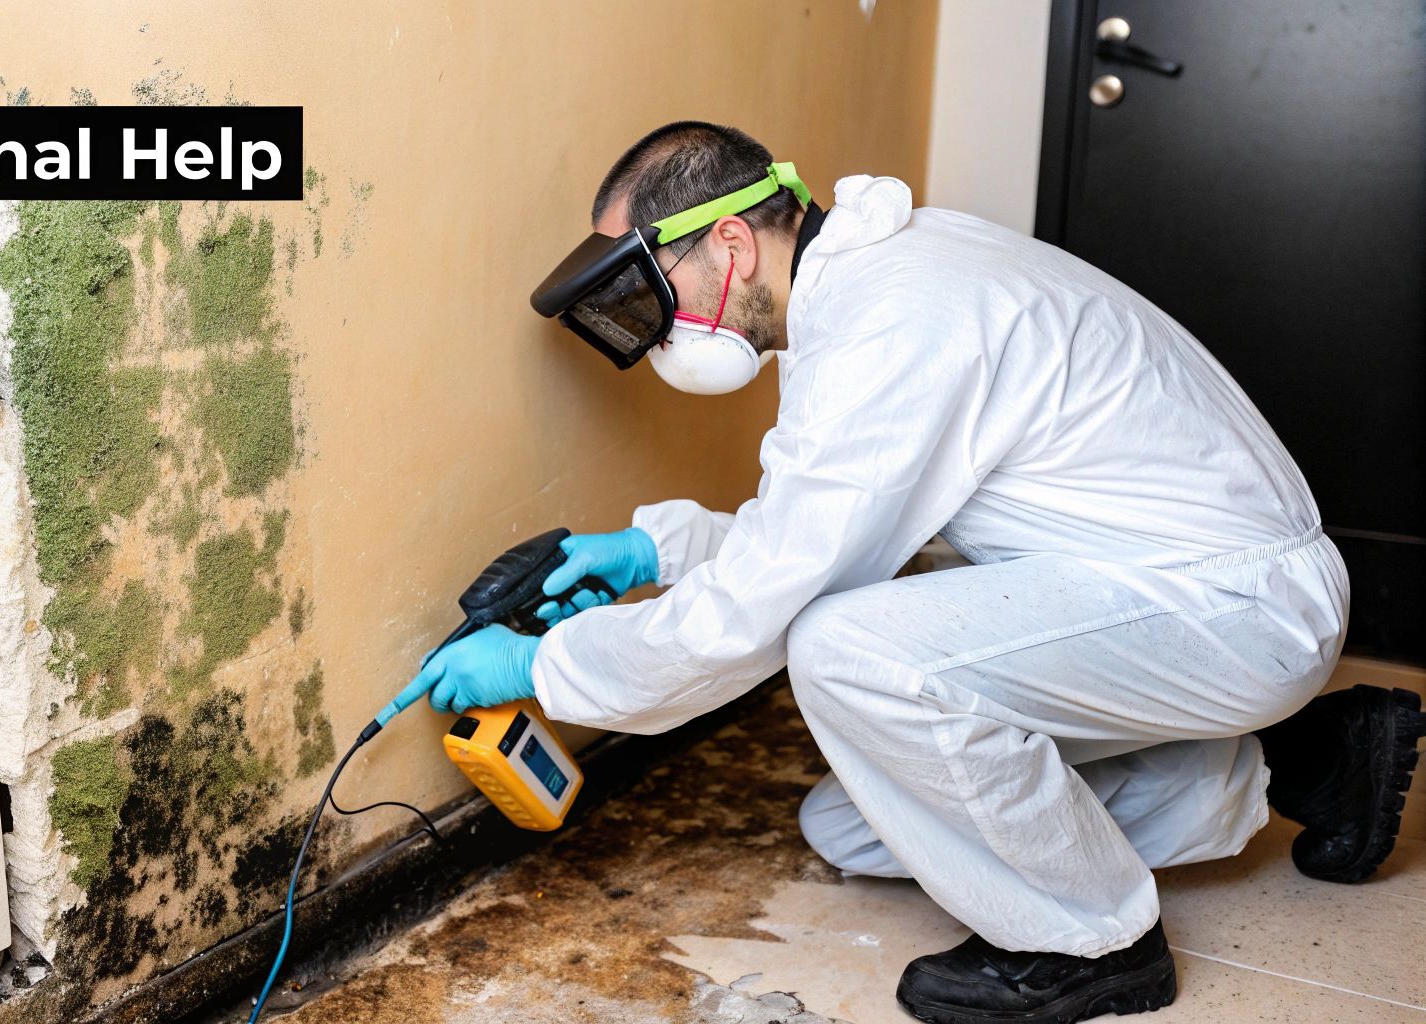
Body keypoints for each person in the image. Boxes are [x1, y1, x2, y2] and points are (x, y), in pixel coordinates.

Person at [389, 122, 1424, 1024]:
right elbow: (827, 533)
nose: (655, 331)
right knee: (857, 824)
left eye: (652, 292)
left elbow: (758, 613)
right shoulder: (875, 285)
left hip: (1231, 605)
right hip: (1165, 585)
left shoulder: (892, 325)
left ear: (731, 244)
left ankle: (1092, 943)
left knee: (844, 652)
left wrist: (541, 666)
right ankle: (1301, 763)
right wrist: (655, 551)